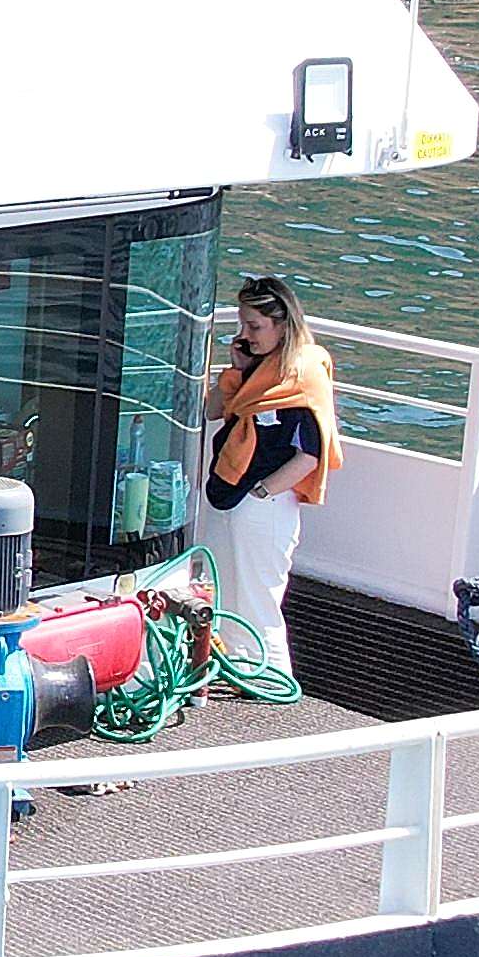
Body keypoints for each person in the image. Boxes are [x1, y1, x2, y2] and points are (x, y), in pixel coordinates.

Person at [200, 276, 342, 681]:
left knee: (258, 598)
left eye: (255, 327)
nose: (246, 335)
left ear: (283, 326)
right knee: (221, 587)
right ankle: (230, 668)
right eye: (243, 326)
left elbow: (312, 454)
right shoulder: (255, 371)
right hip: (230, 491)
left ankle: (271, 678)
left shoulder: (301, 376)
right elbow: (212, 411)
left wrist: (262, 493)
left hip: (263, 504)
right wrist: (237, 370)